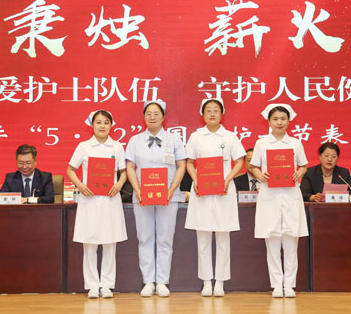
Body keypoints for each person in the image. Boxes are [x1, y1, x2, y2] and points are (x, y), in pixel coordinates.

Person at [125, 100, 187, 298]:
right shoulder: (135, 141)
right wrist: (137, 189)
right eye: (148, 113)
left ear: (163, 116)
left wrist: (172, 189)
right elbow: (129, 167)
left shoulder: (174, 140)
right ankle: (148, 281)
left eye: (156, 113)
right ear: (144, 117)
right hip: (142, 196)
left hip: (168, 196)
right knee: (144, 238)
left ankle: (162, 281)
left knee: (165, 239)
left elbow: (182, 165)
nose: (152, 117)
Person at [185, 98, 245, 297]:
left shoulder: (230, 136)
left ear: (222, 114)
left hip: (223, 191)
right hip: (201, 191)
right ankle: (206, 282)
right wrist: (196, 180)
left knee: (223, 238)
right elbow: (189, 162)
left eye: (216, 110)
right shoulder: (196, 136)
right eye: (208, 110)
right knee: (202, 238)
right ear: (202, 114)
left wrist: (228, 179)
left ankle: (220, 282)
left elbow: (240, 161)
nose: (212, 113)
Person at [66, 110, 128, 299]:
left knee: (110, 243)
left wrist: (119, 184)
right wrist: (80, 186)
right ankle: (93, 285)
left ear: (111, 125)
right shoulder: (84, 147)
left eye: (106, 122)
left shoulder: (117, 147)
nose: (102, 126)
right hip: (89, 199)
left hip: (110, 199)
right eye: (98, 122)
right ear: (92, 125)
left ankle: (107, 285)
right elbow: (70, 170)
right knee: (90, 244)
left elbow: (124, 172)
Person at [249, 104, 308, 298]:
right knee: (272, 241)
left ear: (289, 121)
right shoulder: (262, 143)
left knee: (291, 241)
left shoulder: (296, 143)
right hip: (270, 196)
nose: (279, 122)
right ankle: (276, 285)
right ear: (269, 121)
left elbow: (304, 166)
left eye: (283, 118)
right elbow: (254, 166)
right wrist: (261, 176)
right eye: (275, 119)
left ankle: (289, 285)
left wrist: (299, 172)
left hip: (291, 195)